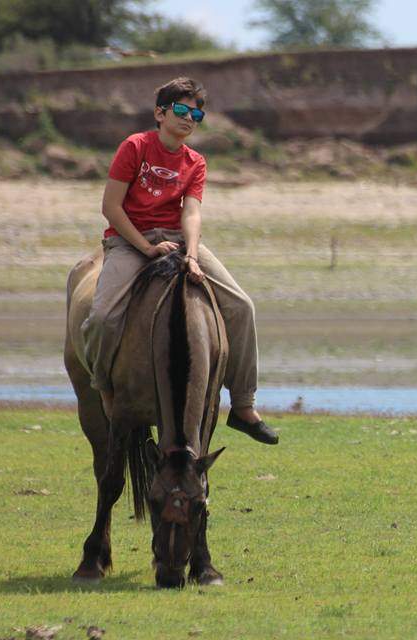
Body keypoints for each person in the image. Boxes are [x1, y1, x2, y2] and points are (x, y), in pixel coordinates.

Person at [80, 76, 278, 444]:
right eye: (182, 110)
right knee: (104, 316)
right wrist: (145, 247)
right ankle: (102, 383)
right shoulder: (135, 147)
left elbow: (191, 213)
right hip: (128, 241)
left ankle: (244, 405)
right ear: (160, 112)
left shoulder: (195, 162)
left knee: (243, 306)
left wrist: (191, 254)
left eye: (197, 114)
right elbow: (110, 207)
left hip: (177, 239)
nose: (190, 118)